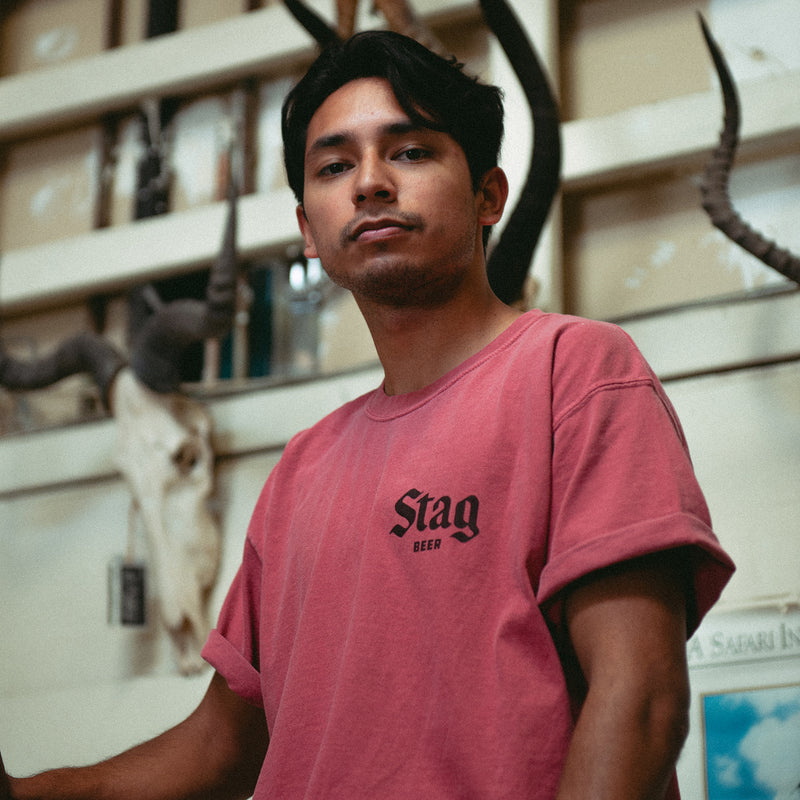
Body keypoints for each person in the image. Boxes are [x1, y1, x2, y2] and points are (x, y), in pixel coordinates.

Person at [1, 30, 734, 800]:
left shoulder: (575, 370)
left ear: (489, 195)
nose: (371, 183)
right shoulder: (302, 471)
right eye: (335, 166)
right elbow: (218, 750)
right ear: (309, 231)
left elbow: (642, 700)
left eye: (411, 152)